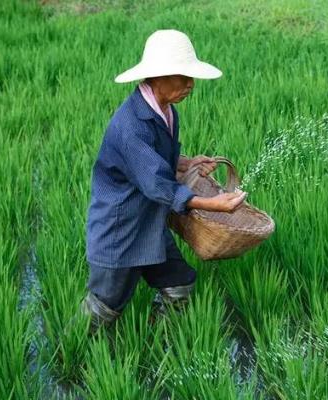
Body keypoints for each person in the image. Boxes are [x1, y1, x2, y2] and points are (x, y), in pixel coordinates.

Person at [81, 29, 247, 329]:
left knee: (179, 283)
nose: (190, 84)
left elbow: (152, 162)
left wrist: (186, 163)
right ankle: (76, 355)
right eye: (182, 76)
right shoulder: (131, 126)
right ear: (156, 77)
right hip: (121, 232)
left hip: (149, 224)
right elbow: (155, 183)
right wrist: (212, 204)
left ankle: (161, 341)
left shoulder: (165, 110)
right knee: (105, 306)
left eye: (190, 77)